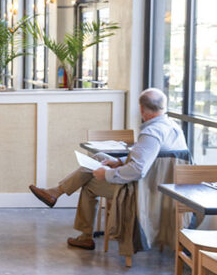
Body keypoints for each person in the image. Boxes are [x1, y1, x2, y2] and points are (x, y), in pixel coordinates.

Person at [28, 87, 188, 250]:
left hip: (141, 191)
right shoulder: (174, 128)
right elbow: (154, 161)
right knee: (100, 157)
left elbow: (138, 170)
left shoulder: (151, 133)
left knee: (89, 186)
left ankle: (83, 234)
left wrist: (107, 174)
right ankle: (55, 192)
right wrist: (120, 161)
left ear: (141, 108)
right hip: (162, 189)